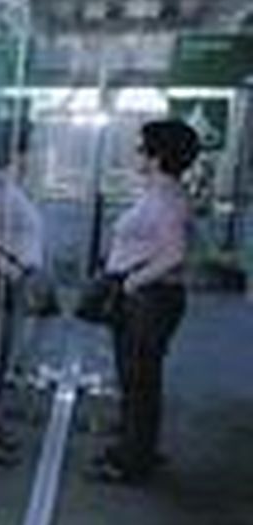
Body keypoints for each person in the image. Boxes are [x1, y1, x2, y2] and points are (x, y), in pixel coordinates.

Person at [92, 118, 201, 483]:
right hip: (147, 297)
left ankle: (132, 463)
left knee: (139, 381)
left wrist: (132, 282)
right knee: (137, 379)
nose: (135, 153)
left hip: (149, 299)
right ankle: (134, 449)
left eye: (140, 148)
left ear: (157, 156)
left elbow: (175, 253)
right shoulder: (160, 193)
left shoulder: (168, 198)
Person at [0, 117, 45, 465]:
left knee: (1, 362)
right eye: (30, 146)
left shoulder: (8, 185)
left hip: (9, 280)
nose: (34, 154)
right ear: (16, 150)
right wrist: (13, 272)